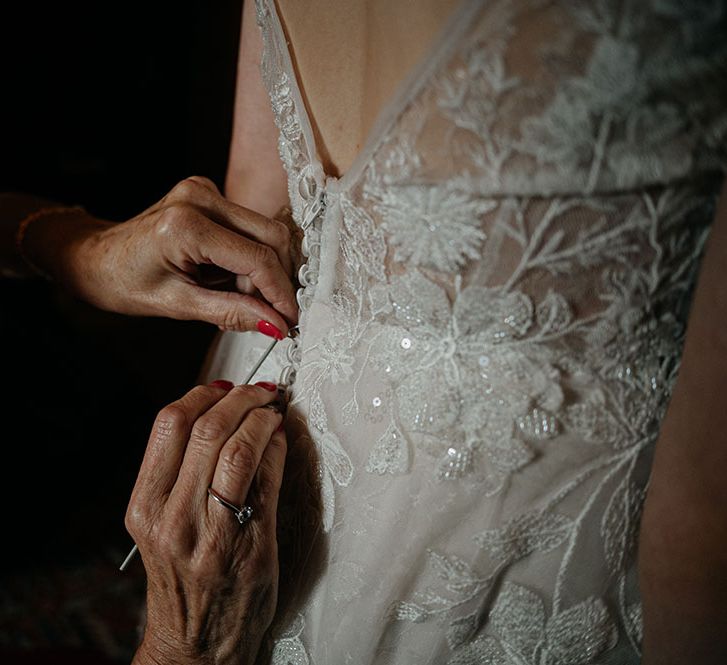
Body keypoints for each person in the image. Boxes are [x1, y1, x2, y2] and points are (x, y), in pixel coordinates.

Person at [6, 1, 727, 664]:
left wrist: (71, 248)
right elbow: (701, 527)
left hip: (252, 475)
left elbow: (255, 208)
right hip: (488, 514)